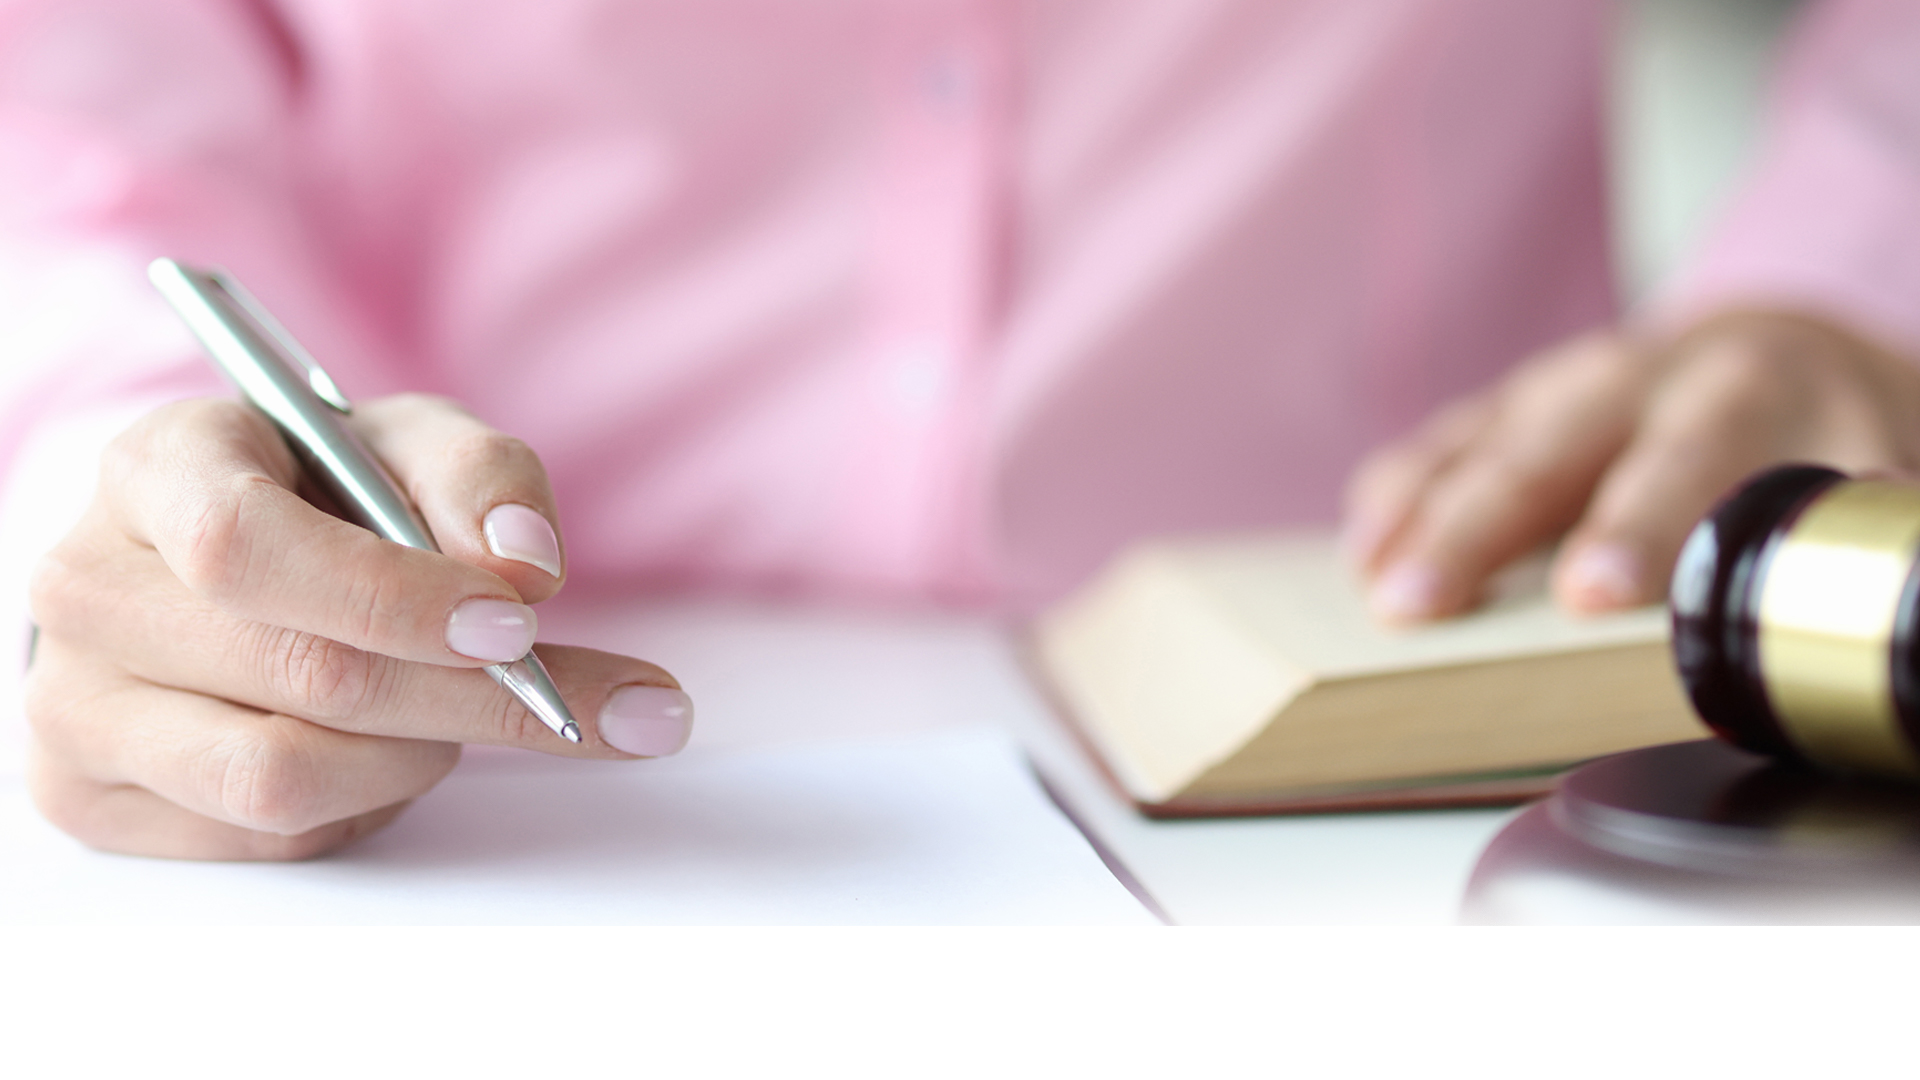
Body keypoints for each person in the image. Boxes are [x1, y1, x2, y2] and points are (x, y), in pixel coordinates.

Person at [1, 0, 1917, 860]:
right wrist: (150, 476)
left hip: (1425, 738)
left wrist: (1851, 280)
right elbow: (79, 114)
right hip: (465, 764)